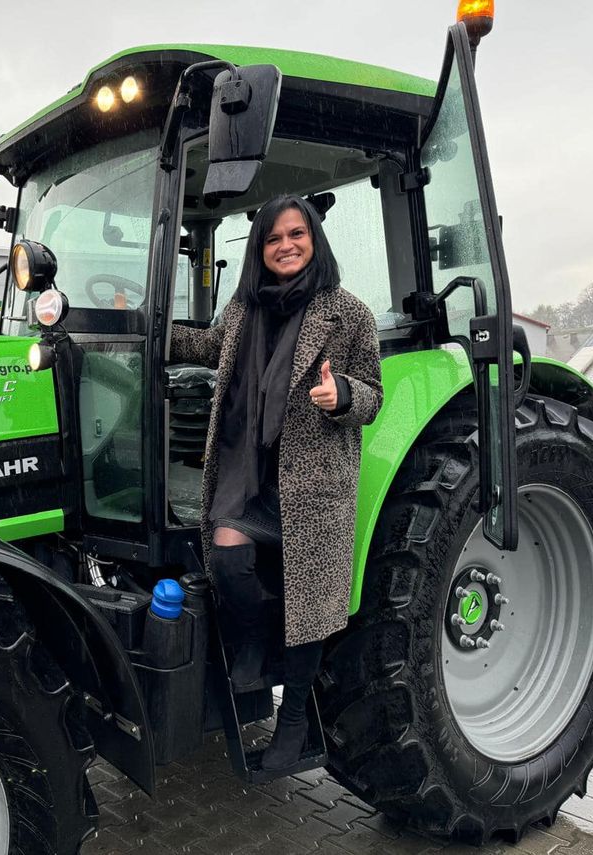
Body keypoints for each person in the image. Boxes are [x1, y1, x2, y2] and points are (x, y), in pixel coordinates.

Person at [170, 194, 383, 770]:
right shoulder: (243, 312)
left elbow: (373, 394)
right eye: (272, 238)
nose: (285, 246)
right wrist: (144, 328)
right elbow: (206, 348)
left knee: (309, 604)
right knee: (228, 556)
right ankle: (260, 637)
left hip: (314, 488)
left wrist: (343, 396)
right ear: (259, 251)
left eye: (296, 234)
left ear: (314, 239)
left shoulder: (347, 312)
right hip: (253, 479)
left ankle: (292, 727)